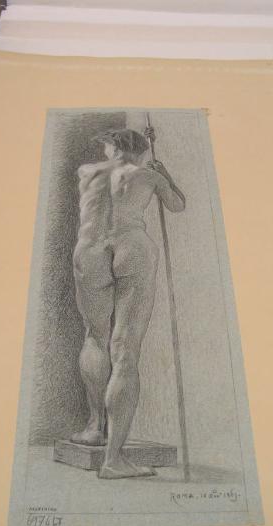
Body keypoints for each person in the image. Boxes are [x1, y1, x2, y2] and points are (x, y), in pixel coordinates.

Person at [71, 127, 186, 479]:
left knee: (95, 337)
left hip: (89, 250)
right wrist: (165, 175)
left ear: (112, 147)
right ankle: (113, 460)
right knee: (125, 351)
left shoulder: (87, 172)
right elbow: (178, 205)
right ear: (141, 151)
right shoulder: (148, 175)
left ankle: (95, 427)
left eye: (107, 146)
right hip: (132, 248)